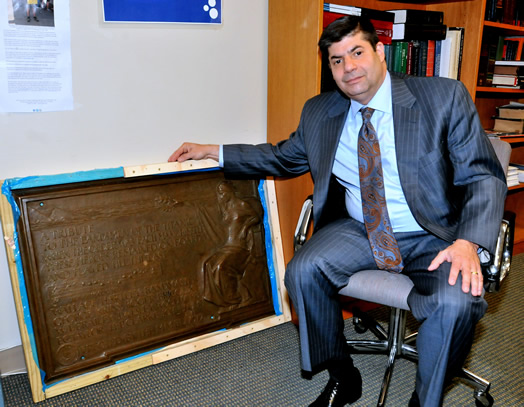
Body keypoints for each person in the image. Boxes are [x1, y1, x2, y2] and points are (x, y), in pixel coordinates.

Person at [168, 16, 506, 407]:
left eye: (357, 53)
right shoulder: (319, 112)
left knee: (456, 302)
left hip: (436, 232)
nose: (349, 68)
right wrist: (214, 150)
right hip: (361, 228)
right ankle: (343, 377)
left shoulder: (442, 98)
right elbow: (281, 157)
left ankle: (425, 401)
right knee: (303, 271)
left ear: (380, 53)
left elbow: (482, 175)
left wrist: (468, 241)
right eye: (337, 60)